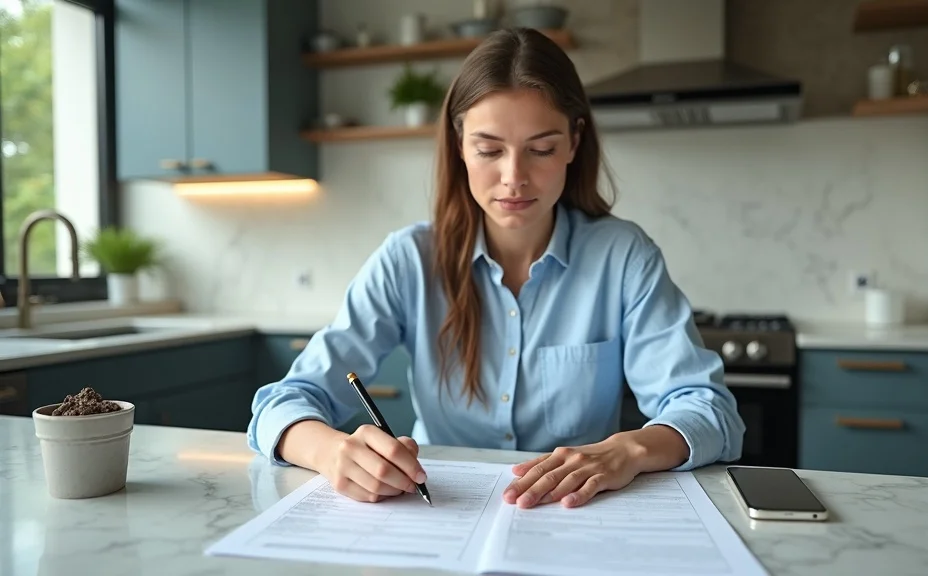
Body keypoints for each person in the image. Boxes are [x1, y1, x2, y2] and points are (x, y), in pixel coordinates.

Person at [247, 27, 745, 510]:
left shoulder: (623, 256)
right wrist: (331, 452)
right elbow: (284, 402)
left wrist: (629, 449)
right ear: (459, 145)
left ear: (574, 142)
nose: (513, 178)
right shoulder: (408, 259)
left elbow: (709, 410)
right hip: (442, 514)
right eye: (489, 150)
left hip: (576, 515)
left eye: (541, 149)